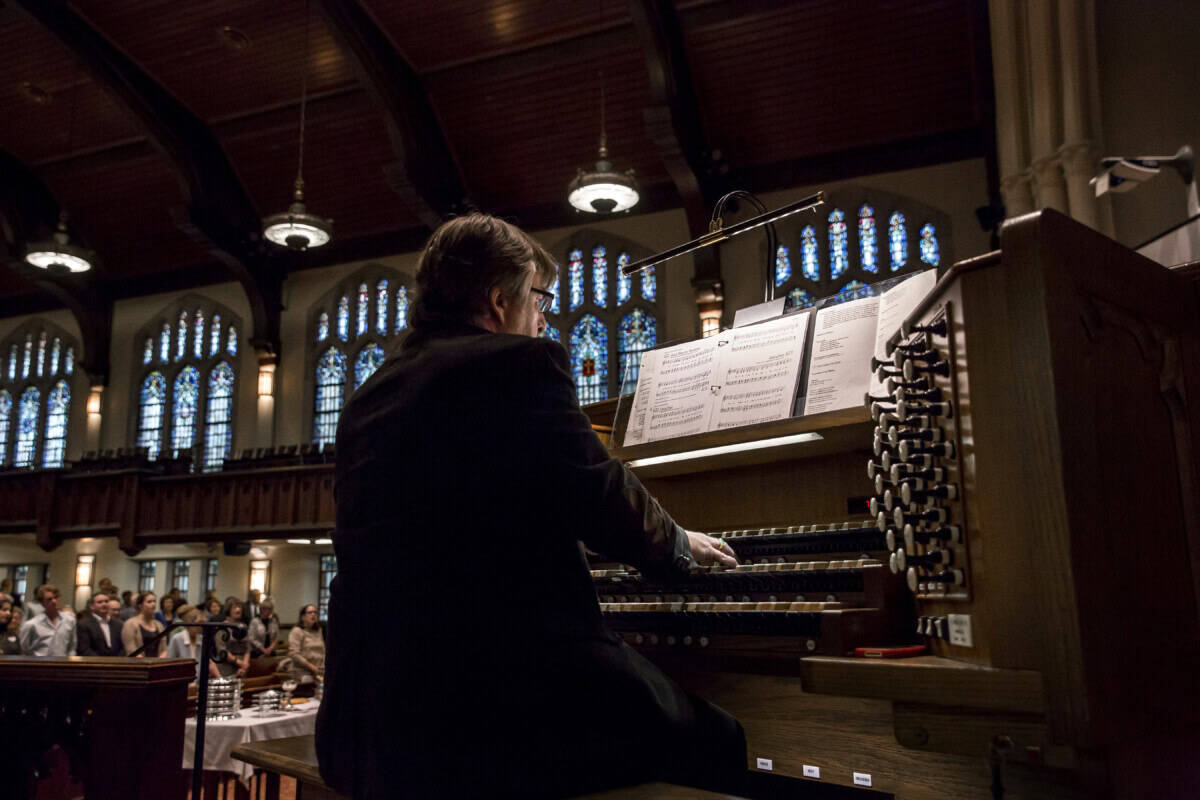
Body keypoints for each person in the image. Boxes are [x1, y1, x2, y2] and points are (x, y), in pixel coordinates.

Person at [316, 214, 746, 799]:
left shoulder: (369, 396)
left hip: (367, 719)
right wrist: (678, 543)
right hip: (490, 713)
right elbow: (599, 495)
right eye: (539, 299)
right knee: (718, 739)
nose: (544, 316)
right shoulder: (516, 364)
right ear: (498, 301)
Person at [167, 605, 221, 684]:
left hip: (197, 685)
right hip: (180, 684)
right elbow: (169, 665)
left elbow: (206, 664)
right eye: (199, 623)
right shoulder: (177, 638)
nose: (201, 627)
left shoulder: (201, 639)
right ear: (190, 623)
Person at [19, 584, 76, 656]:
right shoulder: (32, 625)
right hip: (40, 664)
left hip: (62, 664)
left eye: (56, 597)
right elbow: (24, 649)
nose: (54, 601)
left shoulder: (69, 621)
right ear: (42, 602)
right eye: (50, 599)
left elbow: (72, 648)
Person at [76, 591, 123, 657]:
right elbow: (84, 649)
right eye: (100, 602)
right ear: (92, 606)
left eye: (106, 601)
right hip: (94, 664)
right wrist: (103, 662)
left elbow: (122, 647)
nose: (104, 604)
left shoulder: (118, 624)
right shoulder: (83, 624)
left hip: (117, 663)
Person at [213, 598, 250, 677]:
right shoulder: (222, 627)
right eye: (235, 607)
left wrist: (244, 665)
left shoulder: (243, 626)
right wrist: (238, 662)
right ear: (229, 610)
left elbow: (248, 648)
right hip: (226, 667)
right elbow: (222, 649)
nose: (238, 610)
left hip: (242, 668)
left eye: (240, 607)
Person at [288, 604, 324, 684]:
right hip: (302, 670)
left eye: (315, 612)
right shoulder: (297, 631)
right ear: (303, 617)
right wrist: (312, 668)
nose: (313, 614)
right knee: (308, 681)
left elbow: (323, 650)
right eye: (310, 612)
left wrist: (323, 666)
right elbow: (294, 654)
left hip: (318, 668)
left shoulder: (318, 631)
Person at [121, 592, 165, 656]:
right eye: (149, 602)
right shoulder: (130, 624)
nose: (153, 604)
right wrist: (146, 663)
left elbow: (164, 649)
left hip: (157, 663)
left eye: (154, 601)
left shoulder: (159, 624)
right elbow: (131, 649)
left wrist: (159, 662)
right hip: (138, 663)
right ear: (140, 605)